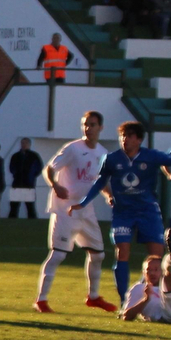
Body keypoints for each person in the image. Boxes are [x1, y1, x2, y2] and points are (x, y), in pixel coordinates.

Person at [68, 121, 171, 304]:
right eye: (122, 136)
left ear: (139, 139)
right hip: (123, 213)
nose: (124, 139)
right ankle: (124, 301)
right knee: (122, 253)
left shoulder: (151, 156)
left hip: (148, 211)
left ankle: (155, 298)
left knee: (156, 257)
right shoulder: (111, 159)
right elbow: (100, 182)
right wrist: (83, 202)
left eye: (129, 136)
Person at [37, 111, 115, 313]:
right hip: (66, 210)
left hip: (86, 210)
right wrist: (55, 185)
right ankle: (41, 300)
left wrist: (109, 195)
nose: (88, 128)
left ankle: (93, 297)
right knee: (58, 255)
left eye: (92, 124)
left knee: (98, 255)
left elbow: (101, 181)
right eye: (85, 124)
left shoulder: (103, 153)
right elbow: (49, 169)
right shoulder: (72, 148)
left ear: (101, 128)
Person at [8, 138, 43, 218]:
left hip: (29, 184)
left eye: (25, 143)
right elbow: (11, 167)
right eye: (22, 143)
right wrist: (16, 174)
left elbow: (39, 168)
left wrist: (32, 176)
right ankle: (11, 221)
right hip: (17, 183)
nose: (24, 145)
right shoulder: (15, 156)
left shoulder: (34, 156)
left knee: (30, 206)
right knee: (14, 206)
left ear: (29, 145)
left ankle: (32, 221)